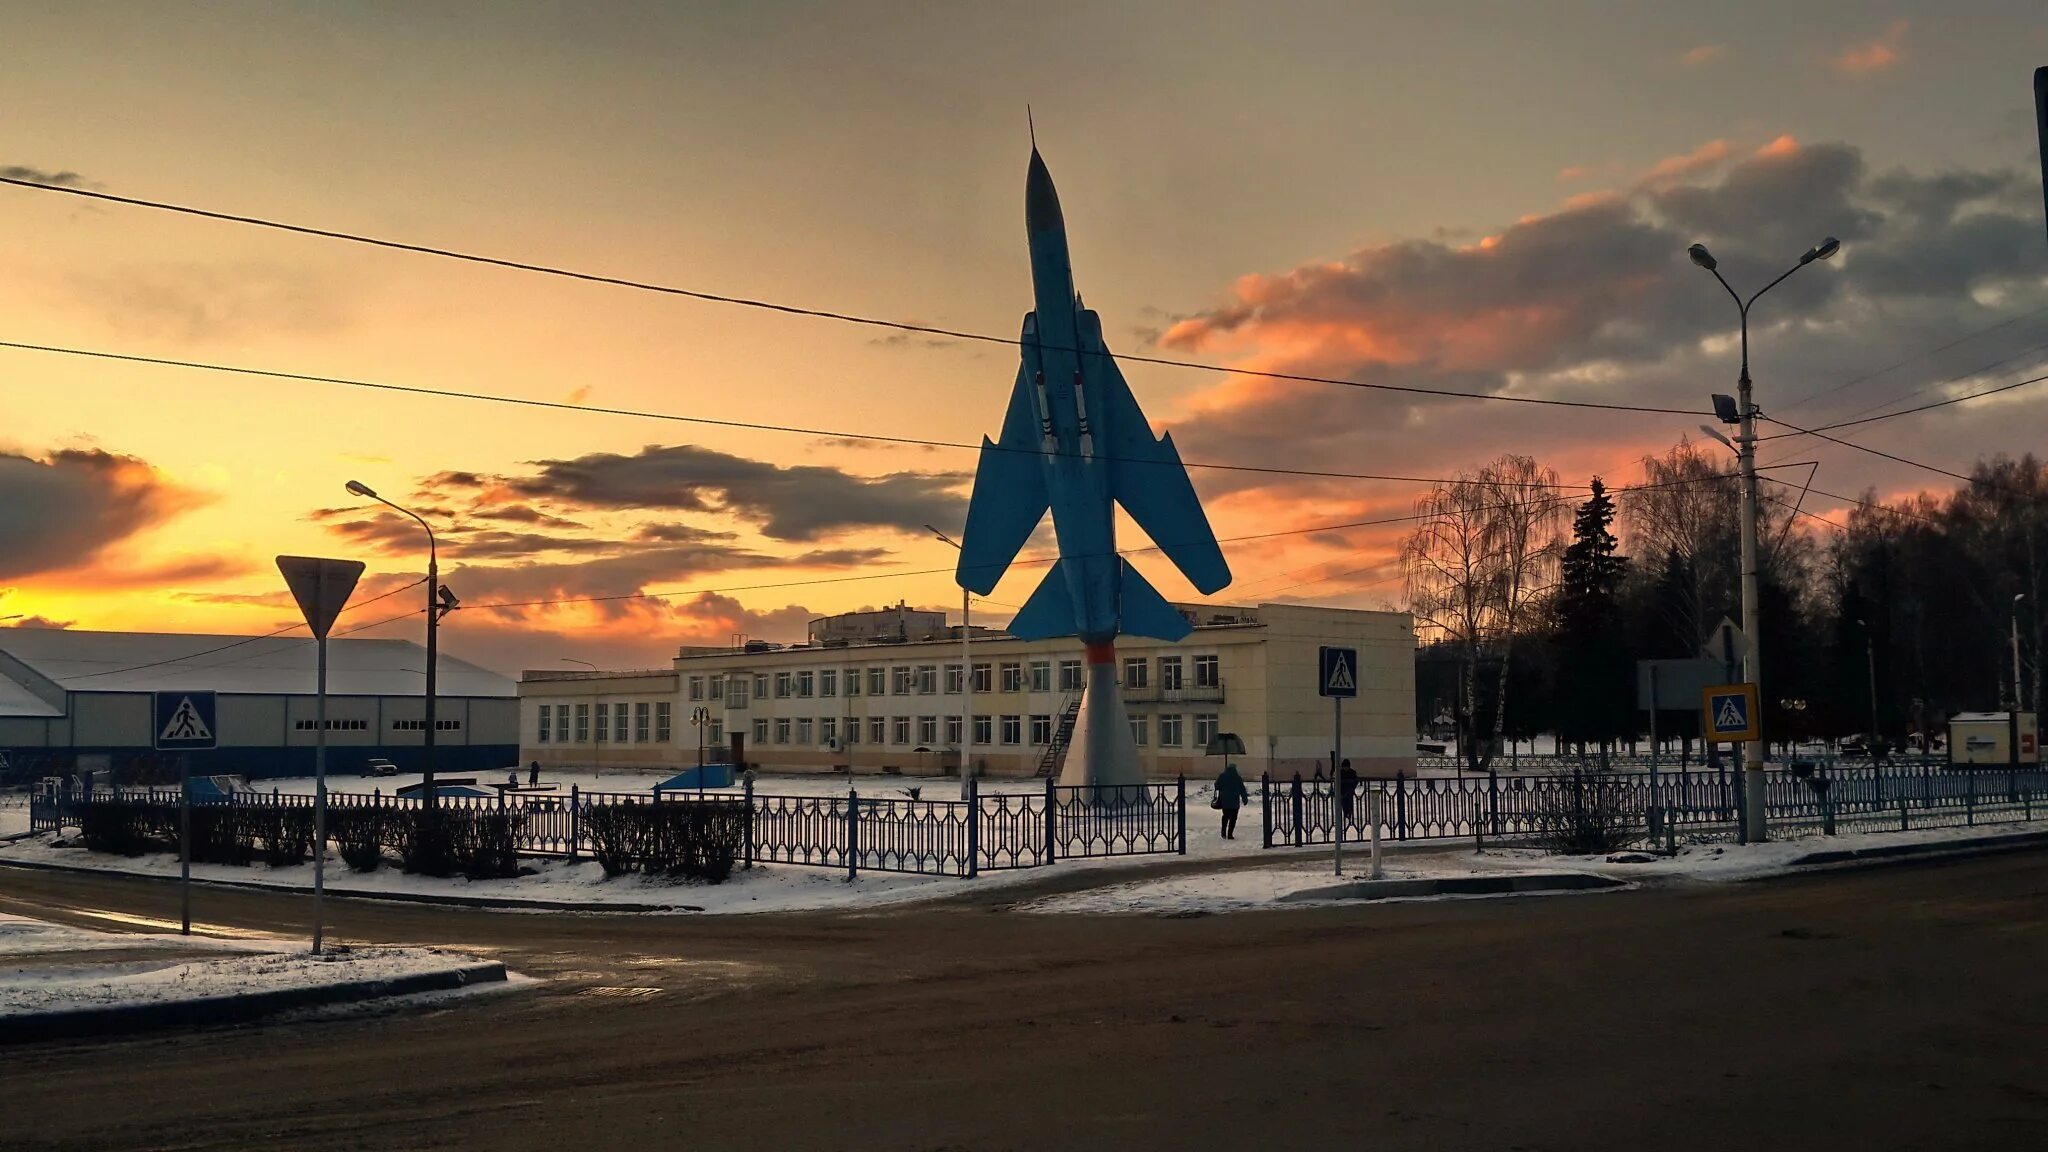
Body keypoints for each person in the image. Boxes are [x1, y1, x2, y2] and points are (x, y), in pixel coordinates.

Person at [1214, 762, 1250, 840]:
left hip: (1225, 801)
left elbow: (1217, 785)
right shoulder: (1237, 777)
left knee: (1225, 816)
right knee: (1233, 818)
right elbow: (1242, 789)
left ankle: (1223, 832)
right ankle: (1230, 834)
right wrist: (1245, 799)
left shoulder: (1222, 776)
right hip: (1234, 802)